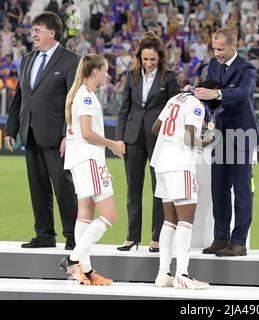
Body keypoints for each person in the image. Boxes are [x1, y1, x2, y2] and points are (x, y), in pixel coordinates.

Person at [4, 12, 79, 250]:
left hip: (57, 137)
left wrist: (69, 134)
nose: (33, 34)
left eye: (38, 30)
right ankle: (45, 235)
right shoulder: (27, 59)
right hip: (31, 133)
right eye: (33, 30)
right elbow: (20, 97)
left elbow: (74, 100)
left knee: (63, 187)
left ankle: (73, 236)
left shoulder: (71, 60)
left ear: (52, 33)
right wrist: (11, 128)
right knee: (38, 188)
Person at [191, 27, 258, 257]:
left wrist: (216, 95)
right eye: (214, 49)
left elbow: (243, 94)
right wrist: (194, 92)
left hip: (242, 135)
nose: (216, 53)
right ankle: (221, 238)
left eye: (220, 49)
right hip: (220, 135)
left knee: (241, 190)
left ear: (233, 46)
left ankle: (239, 241)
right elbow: (208, 87)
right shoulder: (213, 64)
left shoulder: (247, 68)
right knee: (218, 189)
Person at [60, 54, 125, 285]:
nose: (108, 74)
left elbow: (75, 130)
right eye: (106, 70)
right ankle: (74, 259)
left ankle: (85, 272)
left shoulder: (78, 94)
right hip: (90, 161)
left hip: (80, 161)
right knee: (110, 214)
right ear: (95, 71)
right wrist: (114, 145)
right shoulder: (86, 97)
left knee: (85, 214)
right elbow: (87, 133)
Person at [150, 80, 221, 289]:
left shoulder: (175, 98)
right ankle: (182, 273)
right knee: (186, 220)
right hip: (180, 164)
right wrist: (206, 142)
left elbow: (156, 128)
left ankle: (163, 273)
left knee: (169, 221)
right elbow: (190, 138)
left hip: (161, 162)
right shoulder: (197, 105)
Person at [116, 31, 180, 252]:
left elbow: (175, 109)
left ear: (160, 57)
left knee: (159, 189)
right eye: (145, 59)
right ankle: (132, 237)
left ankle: (157, 238)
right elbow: (124, 108)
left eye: (153, 59)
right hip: (132, 138)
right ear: (139, 57)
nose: (149, 63)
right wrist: (119, 139)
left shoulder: (170, 77)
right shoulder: (132, 75)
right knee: (133, 187)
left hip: (160, 139)